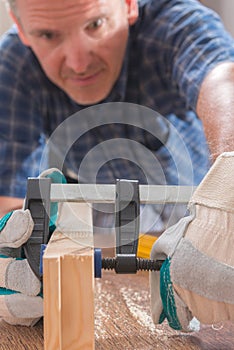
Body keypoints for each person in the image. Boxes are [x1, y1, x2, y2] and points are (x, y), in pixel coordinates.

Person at [0, 0, 233, 328]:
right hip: (108, 241)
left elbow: (224, 81)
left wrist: (228, 189)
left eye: (95, 25)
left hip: (205, 230)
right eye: (49, 35)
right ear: (20, 27)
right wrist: (13, 265)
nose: (79, 62)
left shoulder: (174, 24)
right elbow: (9, 209)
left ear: (128, 5)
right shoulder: (13, 67)